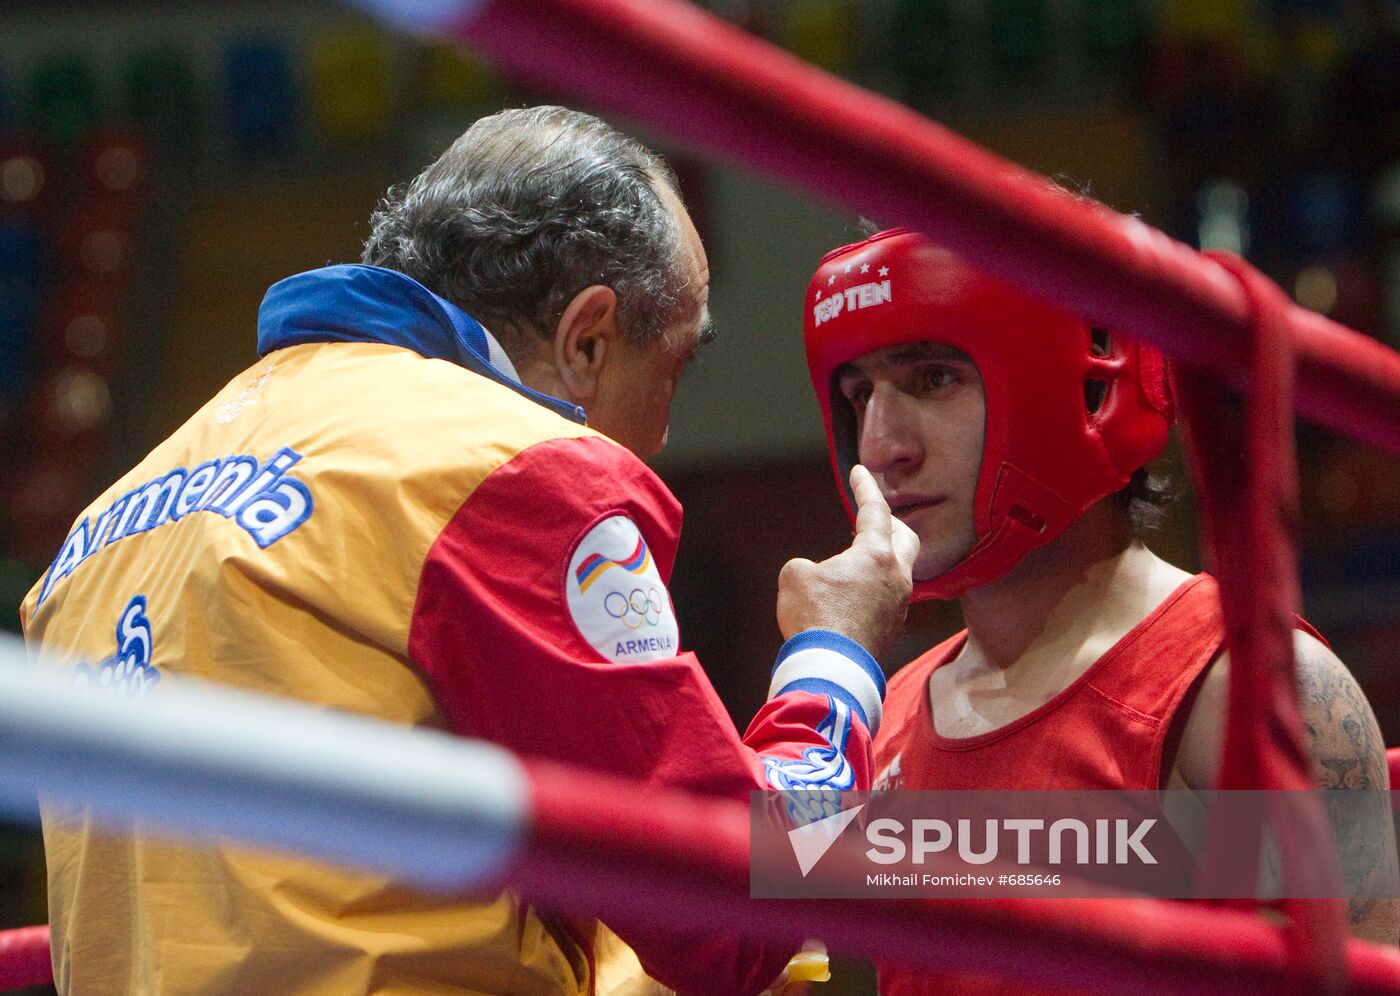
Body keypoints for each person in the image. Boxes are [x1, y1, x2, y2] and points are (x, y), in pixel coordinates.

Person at [20, 107, 918, 996]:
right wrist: (833, 659)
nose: (664, 433)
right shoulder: (500, 468)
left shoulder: (108, 515)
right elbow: (741, 910)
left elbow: (324, 904)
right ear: (589, 338)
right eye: (674, 365)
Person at [801, 228, 1399, 993]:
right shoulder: (886, 714)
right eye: (860, 397)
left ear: (1077, 387)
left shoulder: (1237, 689)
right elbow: (717, 907)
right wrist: (819, 658)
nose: (883, 446)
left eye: (932, 379)